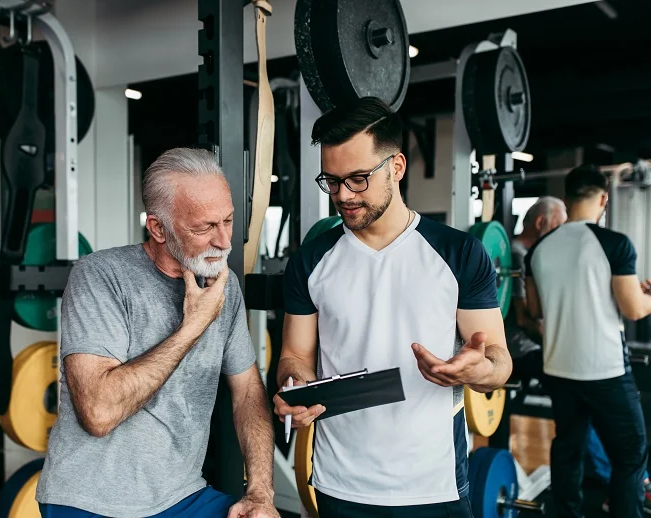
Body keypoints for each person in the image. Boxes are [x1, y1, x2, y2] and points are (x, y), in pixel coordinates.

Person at [272, 97, 512, 518]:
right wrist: (295, 387)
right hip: (340, 482)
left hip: (433, 484)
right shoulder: (311, 260)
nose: (343, 195)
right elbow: (295, 356)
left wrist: (479, 371)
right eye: (331, 180)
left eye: (358, 178)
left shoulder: (459, 253)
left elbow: (499, 360)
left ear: (396, 167)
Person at [35, 148, 279, 518]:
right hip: (91, 500)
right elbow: (98, 413)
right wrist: (193, 326)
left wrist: (260, 491)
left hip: (182, 495)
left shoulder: (222, 290)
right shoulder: (100, 276)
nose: (224, 241)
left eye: (228, 221)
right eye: (204, 227)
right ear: (158, 228)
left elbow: (246, 390)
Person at [524, 164, 651, 518]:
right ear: (604, 199)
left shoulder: (540, 250)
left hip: (559, 368)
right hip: (604, 370)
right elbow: (634, 309)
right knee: (630, 452)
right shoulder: (614, 243)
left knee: (568, 448)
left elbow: (536, 310)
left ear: (566, 199)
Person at [505, 196, 567, 382]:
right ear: (540, 222)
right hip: (518, 347)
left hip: (533, 344)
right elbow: (523, 319)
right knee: (568, 380)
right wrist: (557, 346)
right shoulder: (517, 255)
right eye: (557, 227)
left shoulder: (532, 257)